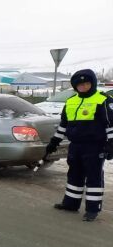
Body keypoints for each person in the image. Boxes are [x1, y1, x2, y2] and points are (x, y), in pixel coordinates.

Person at [47, 69, 113, 221]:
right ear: (75, 86)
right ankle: (70, 204)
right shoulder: (71, 101)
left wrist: (111, 144)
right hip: (75, 145)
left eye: (86, 83)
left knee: (93, 177)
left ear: (93, 83)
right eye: (79, 84)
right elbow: (63, 125)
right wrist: (54, 142)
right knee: (74, 174)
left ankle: (92, 209)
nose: (83, 86)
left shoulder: (103, 100)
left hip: (94, 146)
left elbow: (110, 125)